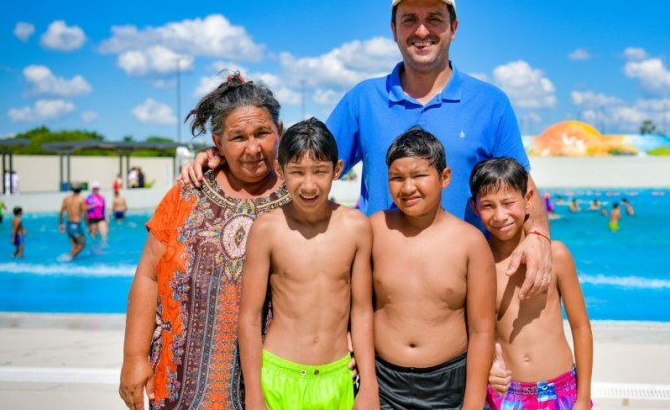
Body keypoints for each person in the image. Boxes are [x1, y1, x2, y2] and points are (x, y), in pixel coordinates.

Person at [184, 0, 552, 300]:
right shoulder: (363, 99)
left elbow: (522, 187)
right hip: (379, 292)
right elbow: (304, 167)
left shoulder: (491, 102)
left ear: (454, 28)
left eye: (434, 19)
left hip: (464, 293)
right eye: (410, 19)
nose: (422, 30)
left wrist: (538, 238)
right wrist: (226, 161)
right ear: (394, 30)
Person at [118, 74, 292, 410]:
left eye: (262, 133)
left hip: (275, 385)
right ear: (218, 142)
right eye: (237, 137)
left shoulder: (300, 196)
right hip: (180, 383)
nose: (253, 148)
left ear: (280, 131)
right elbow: (148, 276)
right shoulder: (187, 193)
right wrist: (134, 357)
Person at [238, 118, 378, 409]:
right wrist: (254, 393)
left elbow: (362, 311)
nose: (309, 184)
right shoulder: (268, 230)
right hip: (279, 378)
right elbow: (250, 317)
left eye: (320, 172)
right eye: (297, 172)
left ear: (337, 170)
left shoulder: (356, 227)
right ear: (281, 171)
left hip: (337, 377)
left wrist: (369, 385)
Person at [370, 127, 495, 409]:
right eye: (397, 178)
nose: (408, 187)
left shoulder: (470, 242)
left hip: (450, 385)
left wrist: (473, 403)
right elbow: (358, 308)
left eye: (419, 175)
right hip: (383, 383)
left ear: (445, 177)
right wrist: (366, 383)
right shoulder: (376, 229)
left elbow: (482, 330)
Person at [468, 157, 592, 410]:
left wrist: (582, 399)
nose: (500, 215)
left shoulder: (555, 255)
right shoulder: (479, 264)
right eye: (488, 206)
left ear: (528, 199)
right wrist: (489, 369)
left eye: (508, 203)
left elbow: (581, 327)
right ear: (474, 206)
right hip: (505, 396)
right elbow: (477, 333)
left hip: (562, 391)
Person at [58, 184, 87, 260]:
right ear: (80, 190)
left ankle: (71, 258)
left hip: (68, 224)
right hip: (76, 225)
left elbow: (61, 212)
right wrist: (88, 225)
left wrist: (61, 224)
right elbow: (85, 214)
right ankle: (70, 258)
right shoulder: (81, 199)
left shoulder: (66, 199)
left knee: (74, 245)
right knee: (82, 244)